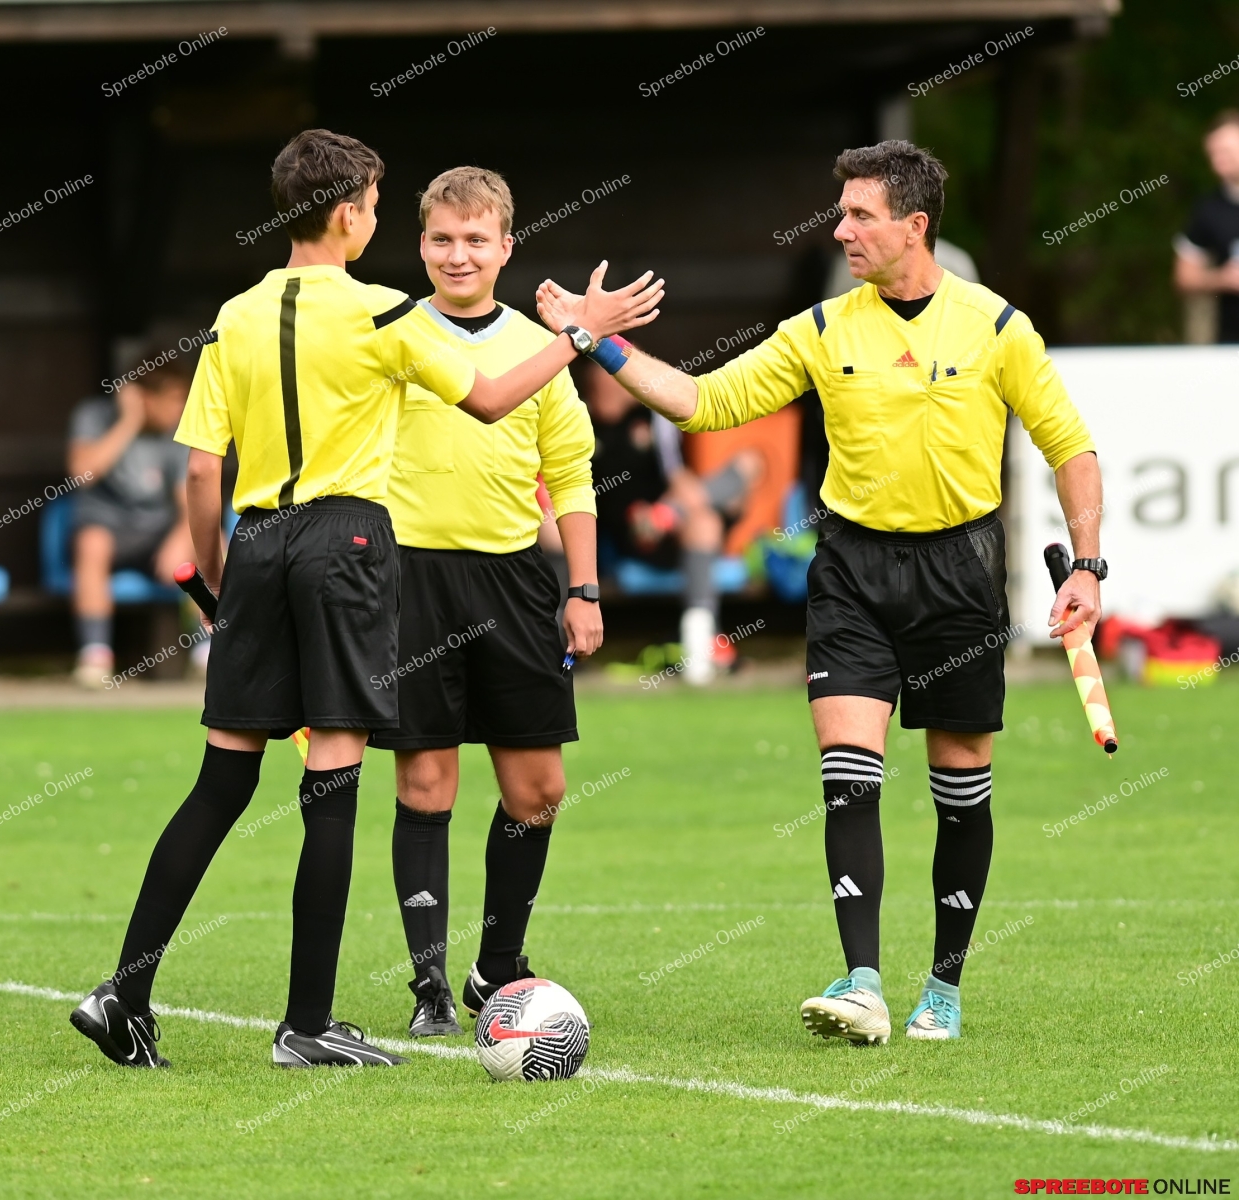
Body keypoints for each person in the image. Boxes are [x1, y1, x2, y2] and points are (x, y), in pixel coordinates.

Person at [68, 128, 661, 1070]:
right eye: (378, 207)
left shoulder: (234, 314)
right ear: (349, 215)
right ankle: (307, 1024)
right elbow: (493, 398)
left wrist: (218, 579)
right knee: (332, 787)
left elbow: (200, 472)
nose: (378, 221)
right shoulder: (384, 312)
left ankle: (122, 994)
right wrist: (577, 335)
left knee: (219, 784)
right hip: (346, 545)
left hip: (255, 542)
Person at [539, 140, 1104, 1044]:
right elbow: (700, 401)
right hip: (850, 572)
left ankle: (943, 989)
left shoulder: (997, 327)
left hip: (959, 573)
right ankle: (862, 982)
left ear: (913, 226)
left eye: (859, 216)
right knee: (847, 780)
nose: (839, 230)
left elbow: (1069, 447)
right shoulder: (820, 327)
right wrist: (591, 339)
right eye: (841, 213)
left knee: (961, 792)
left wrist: (1086, 564)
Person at [371, 167, 602, 1037]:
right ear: (420, 245)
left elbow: (571, 474)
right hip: (409, 580)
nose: (457, 254)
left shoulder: (538, 348)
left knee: (538, 789)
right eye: (441, 238)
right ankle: (428, 986)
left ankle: (495, 968)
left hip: (513, 581)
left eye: (475, 239)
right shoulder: (391, 333)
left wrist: (582, 588)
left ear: (506, 246)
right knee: (426, 784)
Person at [584, 362, 763, 683]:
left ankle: (698, 647)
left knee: (730, 488)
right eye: (606, 375)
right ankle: (703, 644)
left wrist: (677, 502)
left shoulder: (652, 417)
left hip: (672, 521)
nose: (616, 381)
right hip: (632, 533)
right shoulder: (581, 425)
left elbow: (677, 475)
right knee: (702, 519)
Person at [67, 354, 195, 688]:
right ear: (142, 397)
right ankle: (95, 656)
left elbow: (190, 503)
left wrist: (181, 538)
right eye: (172, 399)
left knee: (207, 539)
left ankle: (209, 652)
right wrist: (128, 422)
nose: (179, 408)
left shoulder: (181, 429)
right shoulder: (94, 415)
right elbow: (82, 473)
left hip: (158, 534)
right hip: (108, 530)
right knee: (91, 543)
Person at [1174, 109, 1239, 344]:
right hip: (1232, 345)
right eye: (1212, 154)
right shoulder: (1208, 210)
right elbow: (1184, 276)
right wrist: (1223, 278)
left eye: (1225, 151)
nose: (1217, 161)